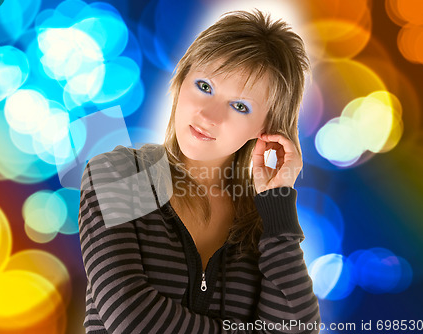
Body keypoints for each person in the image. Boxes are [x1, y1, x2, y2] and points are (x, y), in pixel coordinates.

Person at [79, 9, 320, 334]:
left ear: (267, 128)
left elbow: (297, 329)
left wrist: (278, 203)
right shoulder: (122, 173)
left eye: (239, 106)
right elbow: (131, 318)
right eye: (204, 86)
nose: (208, 115)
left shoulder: (262, 222)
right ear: (180, 82)